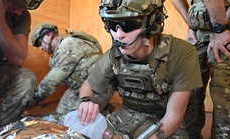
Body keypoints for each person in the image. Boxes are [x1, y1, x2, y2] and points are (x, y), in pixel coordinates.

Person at [77, 0, 203, 138]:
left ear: (151, 23)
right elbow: (87, 86)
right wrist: (86, 101)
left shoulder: (181, 53)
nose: (119, 35)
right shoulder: (114, 55)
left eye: (128, 25)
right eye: (112, 25)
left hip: (166, 124)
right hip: (126, 119)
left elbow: (174, 117)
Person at [171, 0, 230, 138]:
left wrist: (220, 28)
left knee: (224, 97)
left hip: (226, 30)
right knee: (188, 91)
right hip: (201, 29)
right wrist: (191, 22)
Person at [29, 22, 113, 115]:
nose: (40, 48)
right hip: (83, 86)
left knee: (71, 119)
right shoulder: (66, 43)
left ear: (48, 35)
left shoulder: (67, 45)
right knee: (61, 112)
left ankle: (101, 112)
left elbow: (51, 81)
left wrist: (31, 100)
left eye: (39, 42)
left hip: (96, 88)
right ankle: (102, 110)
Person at [0, 0, 43, 130]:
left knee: (26, 79)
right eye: (17, 5)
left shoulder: (22, 15)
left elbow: (17, 58)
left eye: (24, 8)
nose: (19, 12)